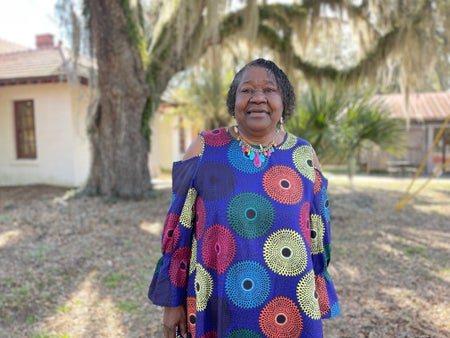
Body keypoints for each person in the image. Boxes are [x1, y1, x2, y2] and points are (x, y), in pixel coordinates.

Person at [148, 58, 340, 338]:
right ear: (233, 101)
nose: (258, 98)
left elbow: (318, 236)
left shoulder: (303, 155)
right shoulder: (204, 149)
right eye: (247, 90)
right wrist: (171, 301)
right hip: (216, 302)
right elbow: (178, 230)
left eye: (269, 90)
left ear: (283, 101)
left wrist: (318, 291)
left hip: (291, 304)